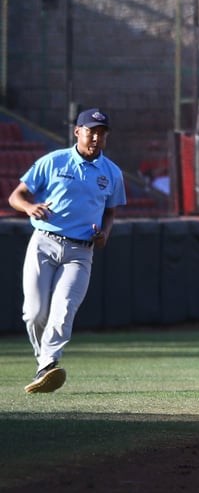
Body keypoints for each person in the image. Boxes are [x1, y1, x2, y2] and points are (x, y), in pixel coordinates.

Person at [8, 107, 127, 394]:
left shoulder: (112, 173)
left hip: (80, 251)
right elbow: (16, 196)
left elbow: (110, 212)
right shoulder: (54, 161)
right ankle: (44, 361)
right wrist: (29, 207)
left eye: (102, 132)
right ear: (78, 131)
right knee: (35, 312)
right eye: (91, 131)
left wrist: (105, 233)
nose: (96, 137)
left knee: (63, 310)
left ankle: (48, 364)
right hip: (44, 242)